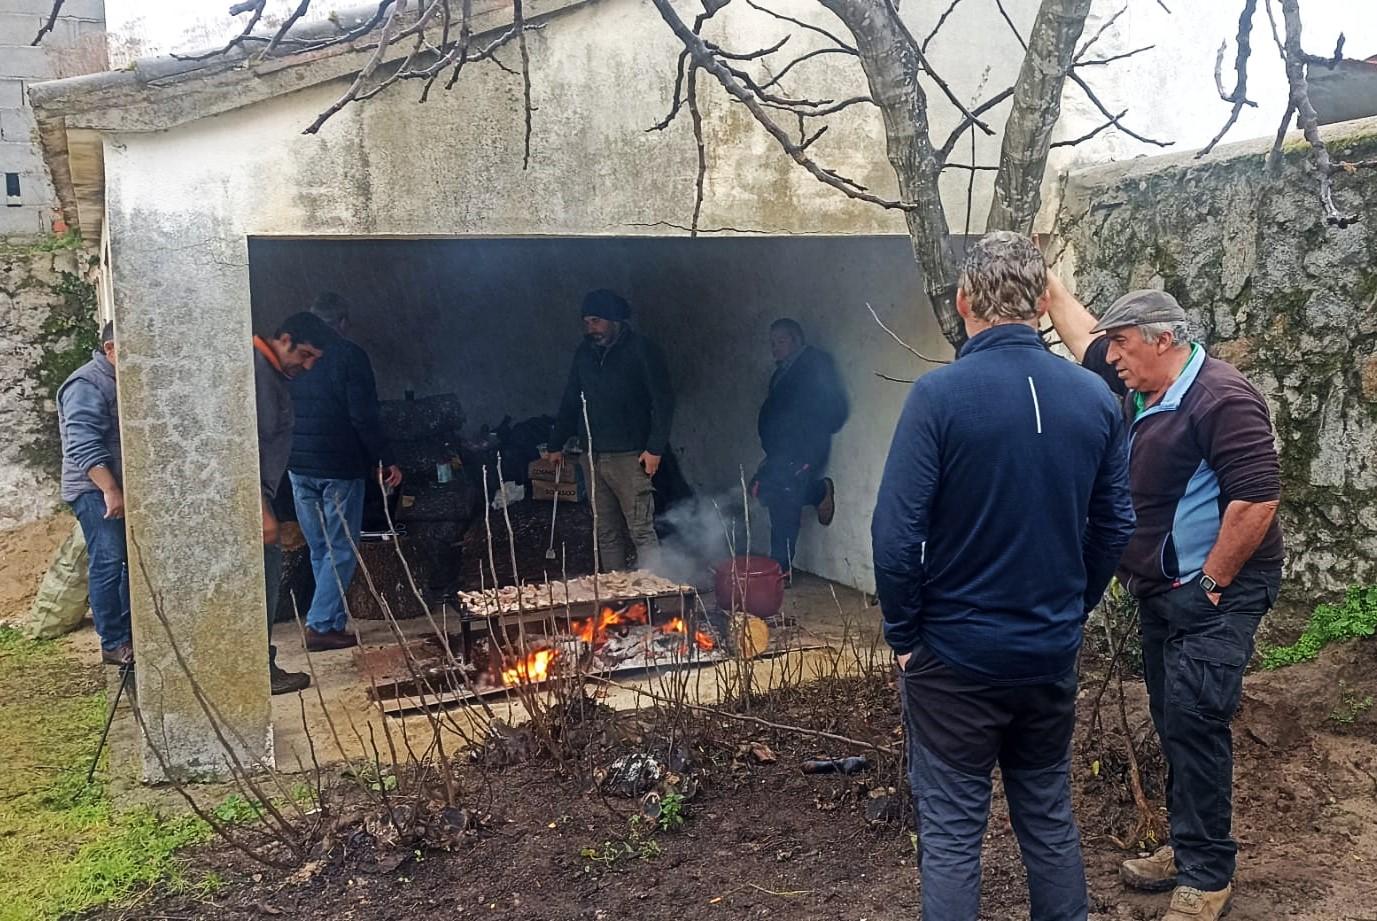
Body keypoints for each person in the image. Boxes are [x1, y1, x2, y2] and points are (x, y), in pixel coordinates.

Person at [872, 231, 1135, 921]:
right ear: (1045, 302)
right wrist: (1070, 610)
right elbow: (1113, 527)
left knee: (954, 835)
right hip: (1046, 654)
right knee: (1046, 818)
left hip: (953, 659)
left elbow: (895, 535)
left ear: (963, 302)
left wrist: (904, 634)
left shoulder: (938, 396)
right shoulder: (1095, 399)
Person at [1045, 277, 1284, 921]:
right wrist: (1040, 279)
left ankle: (1207, 876)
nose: (1111, 359)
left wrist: (1210, 583)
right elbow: (1080, 336)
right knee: (1173, 716)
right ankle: (1187, 847)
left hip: (1216, 592)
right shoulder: (1144, 385)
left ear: (1165, 340)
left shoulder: (1221, 398)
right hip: (1164, 592)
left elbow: (1257, 499)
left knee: (1196, 718)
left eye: (1121, 345)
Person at [287, 292, 402, 651]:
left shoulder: (292, 357)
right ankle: (321, 625)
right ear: (342, 322)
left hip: (299, 466)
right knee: (341, 548)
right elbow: (363, 415)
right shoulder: (349, 355)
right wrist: (384, 457)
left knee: (321, 548)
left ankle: (331, 622)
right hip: (338, 466)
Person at [548, 290, 674, 572]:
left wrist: (655, 448)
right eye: (586, 322)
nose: (590, 328)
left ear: (615, 320)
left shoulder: (642, 350)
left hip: (631, 455)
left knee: (640, 530)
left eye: (596, 321)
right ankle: (616, 602)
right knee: (605, 532)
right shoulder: (584, 354)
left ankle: (653, 599)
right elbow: (571, 399)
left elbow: (664, 402)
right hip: (592, 455)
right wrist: (556, 443)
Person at [254, 312, 337, 695]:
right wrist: (259, 506)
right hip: (252, 503)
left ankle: (259, 666)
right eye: (304, 355)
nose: (307, 366)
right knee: (261, 586)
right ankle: (257, 671)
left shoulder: (272, 374)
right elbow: (240, 445)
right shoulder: (253, 372)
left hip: (268, 493)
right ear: (283, 338)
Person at [57, 321, 133, 666]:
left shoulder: (121, 378)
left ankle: (132, 633)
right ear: (110, 350)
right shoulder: (86, 383)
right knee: (107, 559)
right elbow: (82, 443)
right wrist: (111, 490)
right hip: (93, 488)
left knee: (129, 561)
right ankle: (113, 643)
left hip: (116, 487)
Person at [752, 318, 848, 574]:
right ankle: (818, 492)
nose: (774, 348)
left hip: (805, 447)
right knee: (764, 491)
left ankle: (780, 567)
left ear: (797, 339)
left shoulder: (815, 364)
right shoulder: (781, 372)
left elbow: (834, 407)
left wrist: (806, 440)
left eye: (780, 341)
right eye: (772, 343)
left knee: (784, 496)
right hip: (780, 451)